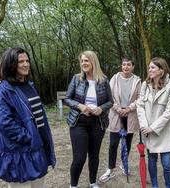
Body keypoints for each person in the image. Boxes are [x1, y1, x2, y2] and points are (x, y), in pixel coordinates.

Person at [0, 47, 56, 188]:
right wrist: (28, 137)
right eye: (20, 61)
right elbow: (4, 123)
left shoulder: (29, 85)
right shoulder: (3, 89)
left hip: (37, 150)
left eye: (27, 60)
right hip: (19, 154)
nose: (26, 64)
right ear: (10, 64)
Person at [64, 50, 113, 188]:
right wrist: (80, 106)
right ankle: (73, 185)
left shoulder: (103, 80)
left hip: (98, 123)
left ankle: (92, 182)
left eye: (87, 60)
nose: (84, 63)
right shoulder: (76, 78)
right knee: (79, 157)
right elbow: (67, 99)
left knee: (94, 155)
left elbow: (111, 101)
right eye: (82, 61)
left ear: (93, 62)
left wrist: (101, 108)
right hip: (79, 122)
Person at [136, 57, 170, 188]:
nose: (149, 70)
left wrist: (152, 128)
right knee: (152, 161)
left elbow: (169, 111)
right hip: (147, 129)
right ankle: (154, 185)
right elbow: (140, 106)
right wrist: (143, 125)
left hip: (163, 131)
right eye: (149, 67)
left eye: (153, 67)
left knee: (166, 164)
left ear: (161, 70)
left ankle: (169, 186)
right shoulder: (145, 85)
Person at [99, 58, 141, 182]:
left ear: (133, 66)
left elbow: (140, 97)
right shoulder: (115, 78)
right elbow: (109, 95)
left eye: (129, 64)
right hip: (116, 114)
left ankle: (124, 164)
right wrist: (118, 108)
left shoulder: (137, 81)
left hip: (130, 114)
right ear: (121, 66)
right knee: (113, 144)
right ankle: (110, 169)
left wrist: (129, 108)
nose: (126, 67)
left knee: (127, 143)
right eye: (124, 64)